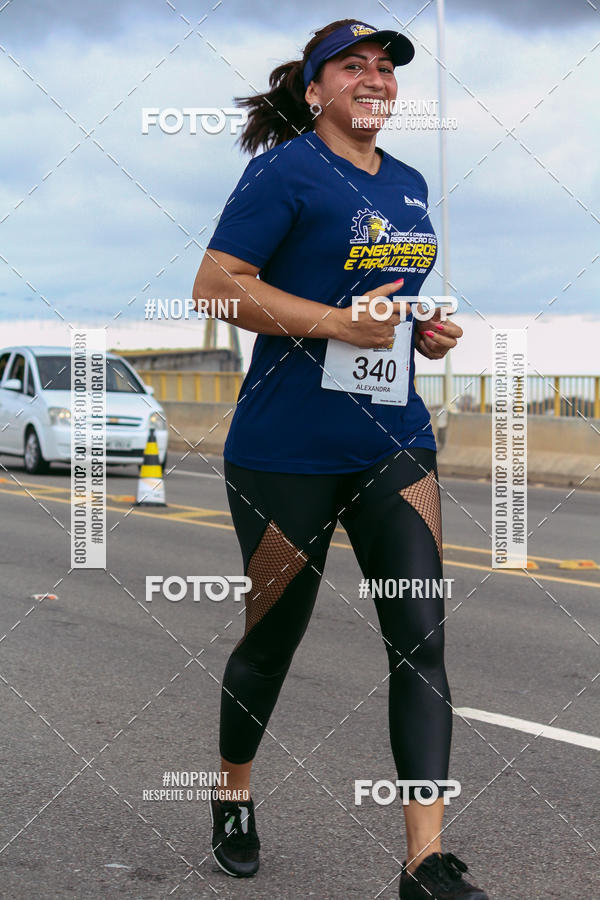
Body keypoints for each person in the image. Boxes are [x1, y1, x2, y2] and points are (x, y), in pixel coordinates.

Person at [193, 18, 489, 900]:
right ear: (315, 89)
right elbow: (217, 286)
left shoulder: (408, 183)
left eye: (385, 68)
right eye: (352, 66)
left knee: (422, 641)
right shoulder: (282, 170)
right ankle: (234, 795)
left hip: (392, 440)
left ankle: (423, 863)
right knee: (273, 640)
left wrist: (422, 332)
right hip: (286, 448)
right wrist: (336, 324)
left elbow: (385, 301)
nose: (375, 79)